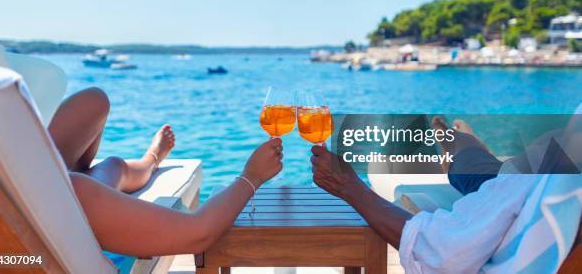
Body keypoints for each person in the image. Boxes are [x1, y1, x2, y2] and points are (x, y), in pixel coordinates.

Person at [310, 117, 581, 273]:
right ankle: (465, 149)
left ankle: (462, 147)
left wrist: (350, 187)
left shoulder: (565, 176)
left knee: (480, 172)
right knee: (487, 172)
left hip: (520, 183)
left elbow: (443, 252)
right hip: (523, 179)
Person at [50, 87, 283, 256]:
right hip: (57, 199)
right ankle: (150, 160)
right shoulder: (73, 197)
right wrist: (251, 177)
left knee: (95, 101)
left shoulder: (58, 185)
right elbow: (197, 233)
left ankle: (149, 160)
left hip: (33, 172)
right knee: (106, 171)